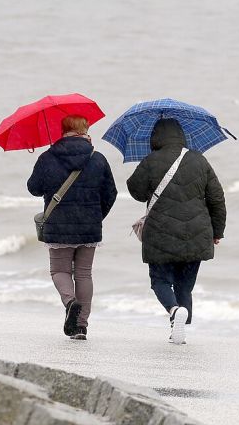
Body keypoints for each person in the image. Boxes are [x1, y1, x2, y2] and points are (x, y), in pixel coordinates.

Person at [126, 118, 226, 345]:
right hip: (196, 232)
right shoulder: (199, 160)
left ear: (155, 137)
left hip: (160, 232)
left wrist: (147, 165)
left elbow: (136, 191)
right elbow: (217, 199)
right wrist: (217, 231)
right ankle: (180, 330)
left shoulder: (150, 160)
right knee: (185, 285)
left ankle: (173, 311)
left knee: (160, 280)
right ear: (182, 135)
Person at [28, 115, 117, 340]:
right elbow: (111, 193)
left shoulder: (48, 157)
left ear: (62, 130)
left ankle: (70, 303)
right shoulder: (97, 158)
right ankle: (81, 327)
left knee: (59, 271)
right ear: (85, 130)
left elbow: (34, 188)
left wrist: (47, 162)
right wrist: (97, 215)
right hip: (89, 226)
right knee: (84, 274)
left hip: (58, 224)